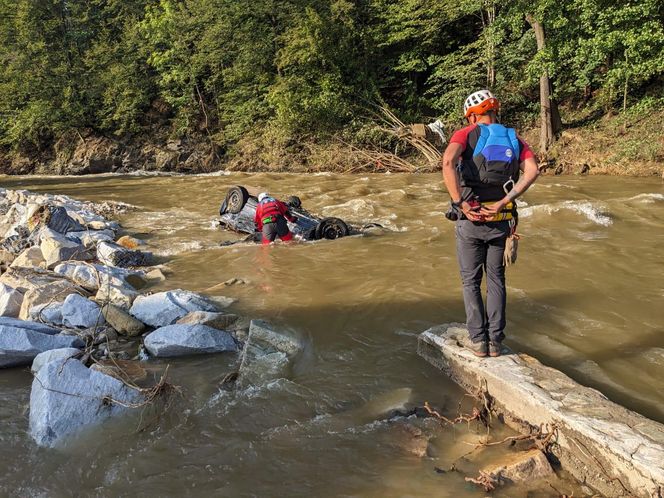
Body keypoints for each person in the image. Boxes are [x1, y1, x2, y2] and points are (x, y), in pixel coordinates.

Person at [441, 90, 540, 358]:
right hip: (502, 219)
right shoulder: (513, 137)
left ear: (473, 114)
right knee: (496, 280)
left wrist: (460, 202)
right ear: (494, 110)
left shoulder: (465, 134)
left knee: (470, 281)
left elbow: (448, 161)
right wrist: (503, 201)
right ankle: (496, 342)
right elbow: (533, 170)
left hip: (470, 219)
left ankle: (478, 342)